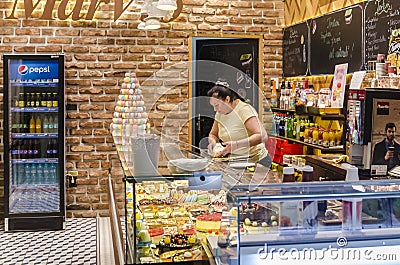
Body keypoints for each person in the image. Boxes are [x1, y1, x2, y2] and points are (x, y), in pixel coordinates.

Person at [206, 81, 271, 167]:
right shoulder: (220, 113)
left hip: (256, 162)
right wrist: (213, 143)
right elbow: (213, 134)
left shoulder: (244, 110)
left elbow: (262, 136)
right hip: (235, 161)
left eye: (217, 105)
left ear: (227, 100)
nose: (215, 109)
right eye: (213, 106)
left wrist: (236, 145)